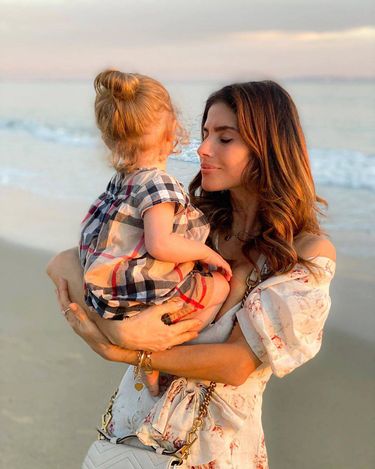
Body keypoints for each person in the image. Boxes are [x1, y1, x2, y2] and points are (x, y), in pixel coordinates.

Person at [48, 79, 336, 468]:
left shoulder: (304, 254)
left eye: (225, 138)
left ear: (267, 148)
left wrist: (126, 351)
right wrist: (117, 328)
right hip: (130, 438)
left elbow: (236, 364)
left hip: (209, 452)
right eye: (204, 134)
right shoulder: (192, 226)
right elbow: (67, 263)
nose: (202, 149)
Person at [78, 69, 231, 394]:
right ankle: (166, 353)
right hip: (140, 293)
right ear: (172, 130)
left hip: (107, 293)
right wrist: (206, 252)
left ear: (111, 137)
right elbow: (161, 244)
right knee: (217, 287)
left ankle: (150, 366)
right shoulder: (160, 185)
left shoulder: (122, 181)